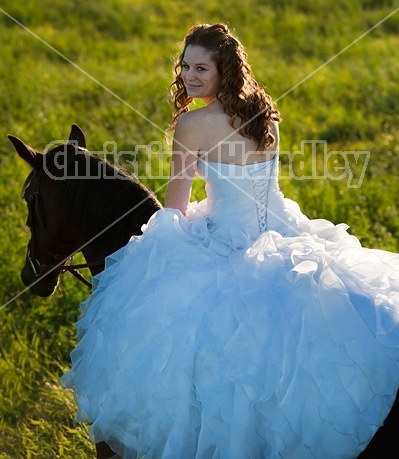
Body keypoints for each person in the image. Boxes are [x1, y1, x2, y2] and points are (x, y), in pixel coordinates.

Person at [61, 23, 399, 459]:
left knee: (170, 326)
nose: (188, 77)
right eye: (184, 66)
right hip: (280, 231)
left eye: (201, 67)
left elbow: (176, 210)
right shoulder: (266, 113)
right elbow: (267, 192)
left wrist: (160, 251)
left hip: (228, 242)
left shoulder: (193, 124)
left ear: (224, 71)